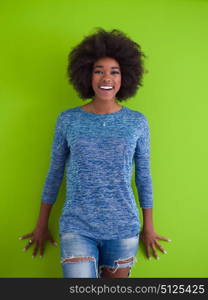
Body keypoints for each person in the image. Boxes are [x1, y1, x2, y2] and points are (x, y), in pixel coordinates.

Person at [19, 28, 171, 278]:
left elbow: (144, 176)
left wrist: (149, 227)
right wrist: (41, 223)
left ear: (125, 77)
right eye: (98, 71)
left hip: (123, 229)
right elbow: (55, 173)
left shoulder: (137, 122)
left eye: (114, 72)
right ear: (87, 75)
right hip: (77, 227)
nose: (106, 78)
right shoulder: (68, 120)